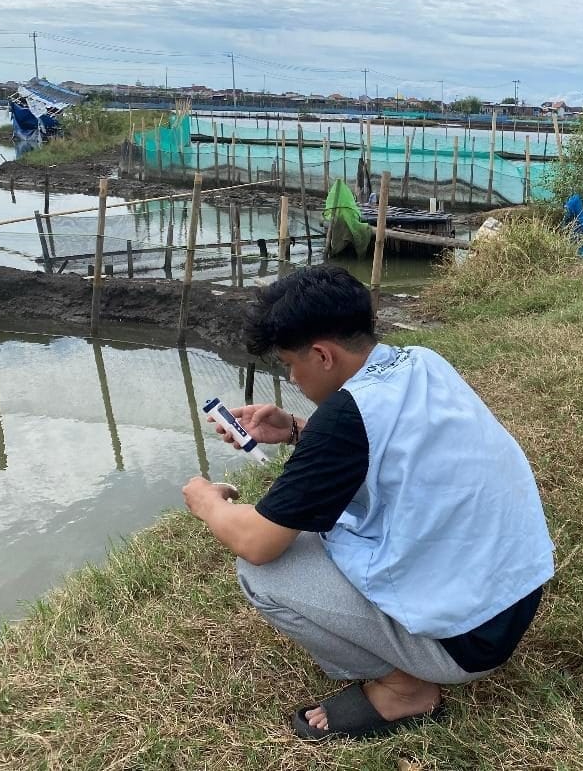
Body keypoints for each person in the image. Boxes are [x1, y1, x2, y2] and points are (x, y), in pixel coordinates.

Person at [182, 265, 554, 739]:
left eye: (291, 364)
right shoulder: (421, 361)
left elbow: (257, 542)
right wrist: (295, 430)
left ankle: (405, 688)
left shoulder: (344, 419)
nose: (292, 377)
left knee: (263, 573)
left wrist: (207, 502)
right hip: (515, 596)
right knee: (325, 524)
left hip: (465, 642)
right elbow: (383, 446)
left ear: (323, 355)